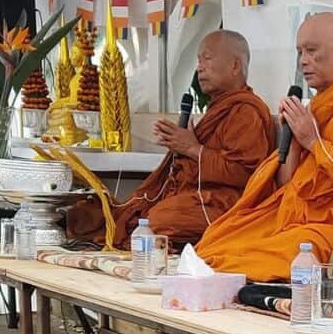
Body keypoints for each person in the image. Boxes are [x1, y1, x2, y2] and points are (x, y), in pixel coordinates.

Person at [192, 13, 333, 282]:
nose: (303, 61)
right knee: (220, 237)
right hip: (300, 214)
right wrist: (297, 141)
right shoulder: (319, 107)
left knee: (254, 257)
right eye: (300, 52)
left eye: (311, 51)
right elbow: (288, 181)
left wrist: (312, 140)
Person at [66, 30, 274, 248]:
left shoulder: (245, 112)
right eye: (198, 60)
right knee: (90, 214)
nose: (199, 67)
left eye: (207, 58)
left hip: (225, 204)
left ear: (235, 65)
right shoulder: (218, 109)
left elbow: (245, 174)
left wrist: (192, 148)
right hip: (189, 197)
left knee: (159, 221)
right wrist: (181, 146)